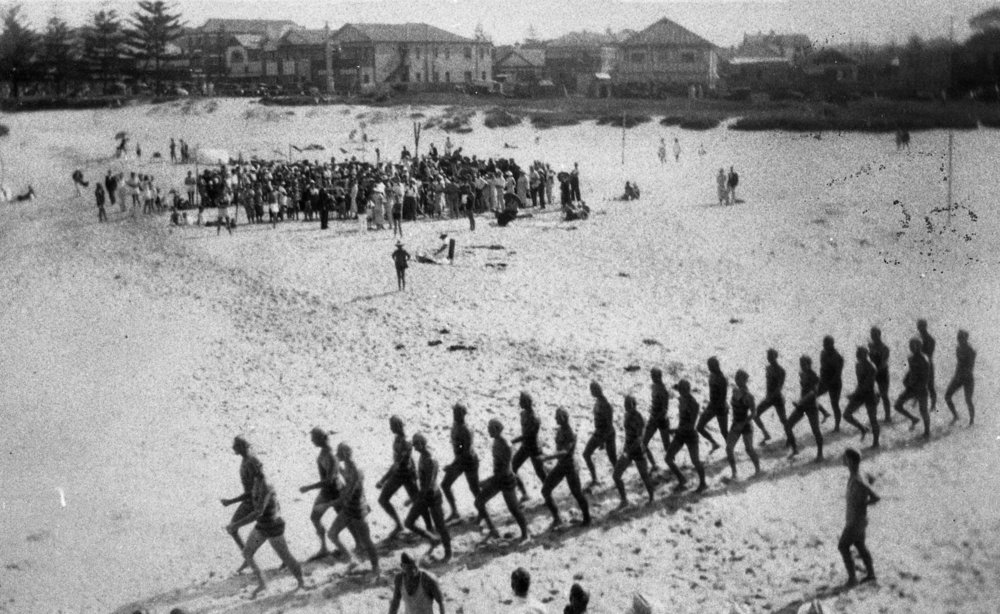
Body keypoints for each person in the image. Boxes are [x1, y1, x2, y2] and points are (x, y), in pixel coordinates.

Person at [225, 470, 306, 598]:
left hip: (273, 527)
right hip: (262, 526)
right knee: (247, 553)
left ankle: (302, 582)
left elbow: (258, 511)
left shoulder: (266, 486)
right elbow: (249, 495)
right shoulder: (257, 482)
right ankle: (262, 583)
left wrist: (236, 525)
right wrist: (231, 501)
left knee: (286, 556)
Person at [327, 442, 380, 577]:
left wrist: (328, 504)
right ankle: (352, 560)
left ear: (344, 454)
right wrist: (336, 465)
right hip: (349, 507)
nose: (337, 455)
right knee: (332, 534)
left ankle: (376, 568)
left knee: (367, 541)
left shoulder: (356, 471)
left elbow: (348, 492)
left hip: (357, 510)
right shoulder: (348, 467)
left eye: (339, 454)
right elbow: (343, 476)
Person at [474, 418, 530, 542]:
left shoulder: (505, 445)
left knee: (514, 509)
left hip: (506, 480)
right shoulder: (497, 441)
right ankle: (492, 529)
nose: (487, 430)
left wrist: (488, 481)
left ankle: (525, 533)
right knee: (479, 502)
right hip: (499, 479)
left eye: (490, 428)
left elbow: (504, 470)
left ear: (496, 429)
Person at [298, 427, 347, 561]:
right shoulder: (325, 452)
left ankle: (358, 545)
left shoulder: (330, 455)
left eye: (314, 437)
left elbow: (329, 480)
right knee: (314, 517)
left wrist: (308, 487)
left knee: (347, 520)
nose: (312, 440)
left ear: (322, 438)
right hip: (327, 492)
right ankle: (324, 548)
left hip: (335, 492)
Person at [377, 415, 428, 541]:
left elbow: (399, 463)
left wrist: (383, 479)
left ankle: (428, 527)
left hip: (406, 475)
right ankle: (399, 525)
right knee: (383, 499)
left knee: (418, 501)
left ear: (398, 426)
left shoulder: (406, 442)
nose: (390, 428)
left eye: (392, 426)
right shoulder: (398, 439)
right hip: (400, 474)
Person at [540, 407, 591, 529]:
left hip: (570, 467)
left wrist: (548, 457)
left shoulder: (570, 433)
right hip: (561, 465)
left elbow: (565, 451)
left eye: (557, 417)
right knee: (545, 490)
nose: (555, 419)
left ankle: (587, 518)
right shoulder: (560, 430)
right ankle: (557, 517)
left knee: (577, 493)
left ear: (563, 418)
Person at [405, 433, 452, 562]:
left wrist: (412, 498)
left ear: (421, 443)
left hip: (433, 497)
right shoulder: (422, 456)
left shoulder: (430, 460)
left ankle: (448, 552)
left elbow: (429, 485)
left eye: (416, 445)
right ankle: (432, 539)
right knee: (409, 522)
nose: (414, 448)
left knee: (440, 526)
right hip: (424, 496)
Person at [219, 436, 264, 569]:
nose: (233, 448)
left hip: (255, 502)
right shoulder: (247, 460)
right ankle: (247, 556)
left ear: (241, 447)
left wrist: (230, 501)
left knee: (270, 530)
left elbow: (255, 488)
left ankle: (248, 557)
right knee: (233, 528)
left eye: (236, 445)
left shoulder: (251, 461)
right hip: (250, 500)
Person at [838, 448, 879, 587]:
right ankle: (871, 574)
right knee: (859, 545)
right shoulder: (858, 474)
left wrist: (863, 503)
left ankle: (852, 579)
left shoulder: (857, 480)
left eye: (844, 457)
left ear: (849, 461)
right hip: (858, 520)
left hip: (855, 521)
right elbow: (872, 478)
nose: (842, 459)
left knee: (843, 546)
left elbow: (876, 497)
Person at [612, 394, 656, 507]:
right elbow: (627, 435)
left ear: (634, 405)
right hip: (628, 450)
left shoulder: (639, 418)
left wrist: (627, 452)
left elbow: (639, 439)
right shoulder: (627, 415)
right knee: (616, 475)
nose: (626, 407)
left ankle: (652, 497)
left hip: (637, 451)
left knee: (644, 476)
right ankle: (624, 500)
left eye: (629, 404)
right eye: (625, 404)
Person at [664, 379, 707, 493]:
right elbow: (682, 419)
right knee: (668, 458)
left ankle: (703, 483)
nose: (681, 391)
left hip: (690, 435)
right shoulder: (681, 400)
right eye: (680, 389)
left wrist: (675, 430)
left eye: (683, 389)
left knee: (695, 461)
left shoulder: (694, 404)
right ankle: (682, 479)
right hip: (681, 434)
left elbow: (691, 425)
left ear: (688, 389)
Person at [441, 403, 481, 521]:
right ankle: (454, 511)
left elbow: (466, 452)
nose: (455, 415)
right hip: (460, 461)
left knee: (474, 488)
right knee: (445, 485)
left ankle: (483, 512)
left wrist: (452, 465)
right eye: (454, 412)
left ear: (463, 414)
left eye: (458, 413)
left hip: (469, 462)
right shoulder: (456, 426)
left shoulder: (466, 430)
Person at [786, 356, 824, 462]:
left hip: (811, 406)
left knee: (816, 430)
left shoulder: (815, 377)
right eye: (801, 364)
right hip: (802, 405)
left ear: (809, 364)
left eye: (804, 364)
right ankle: (794, 449)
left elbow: (813, 393)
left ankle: (820, 454)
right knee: (788, 425)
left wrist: (800, 401)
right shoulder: (802, 374)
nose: (802, 366)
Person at [842, 347, 881, 448]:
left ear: (866, 354)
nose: (857, 355)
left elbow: (867, 385)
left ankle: (876, 442)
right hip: (860, 393)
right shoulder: (858, 365)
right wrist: (855, 393)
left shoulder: (871, 367)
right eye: (857, 353)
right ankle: (862, 428)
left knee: (873, 419)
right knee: (846, 414)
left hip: (870, 394)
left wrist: (854, 394)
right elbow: (860, 383)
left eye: (860, 353)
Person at [726, 370, 761, 479]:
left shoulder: (748, 396)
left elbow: (754, 413)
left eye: (739, 378)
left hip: (745, 425)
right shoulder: (734, 390)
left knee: (749, 449)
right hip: (736, 423)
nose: (736, 380)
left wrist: (743, 423)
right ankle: (734, 472)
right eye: (736, 377)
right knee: (729, 448)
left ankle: (758, 470)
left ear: (744, 380)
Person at [512, 392, 547, 502]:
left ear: (527, 402)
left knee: (540, 473)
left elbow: (528, 435)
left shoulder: (535, 418)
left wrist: (513, 441)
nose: (519, 403)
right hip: (526, 446)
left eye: (521, 401)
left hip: (534, 448)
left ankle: (548, 493)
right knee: (513, 467)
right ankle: (524, 494)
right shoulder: (523, 414)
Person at [582, 381, 617, 490]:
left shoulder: (605, 404)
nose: (591, 392)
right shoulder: (599, 401)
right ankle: (595, 478)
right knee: (588, 454)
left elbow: (608, 424)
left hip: (606, 433)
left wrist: (602, 441)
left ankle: (615, 477)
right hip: (601, 432)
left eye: (592, 390)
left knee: (611, 457)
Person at [893, 338, 930, 438]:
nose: (911, 348)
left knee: (923, 410)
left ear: (919, 346)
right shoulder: (911, 358)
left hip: (921, 389)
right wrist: (906, 378)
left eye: (913, 346)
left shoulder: (924, 360)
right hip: (911, 387)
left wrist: (918, 389)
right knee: (897, 405)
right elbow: (911, 370)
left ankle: (927, 432)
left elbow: (926, 377)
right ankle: (913, 419)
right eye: (910, 346)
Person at [754, 349, 789, 446]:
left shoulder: (781, 371)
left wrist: (769, 397)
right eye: (768, 356)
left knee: (783, 420)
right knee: (755, 414)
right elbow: (768, 384)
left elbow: (779, 388)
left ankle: (790, 437)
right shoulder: (768, 368)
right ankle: (766, 434)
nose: (769, 358)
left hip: (777, 398)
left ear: (775, 357)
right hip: (769, 397)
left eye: (771, 356)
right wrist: (767, 396)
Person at [697, 357, 729, 453]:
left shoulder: (721, 379)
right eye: (708, 366)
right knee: (699, 427)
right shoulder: (712, 375)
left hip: (720, 408)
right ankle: (714, 443)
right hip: (712, 406)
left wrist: (715, 408)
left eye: (710, 366)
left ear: (716, 366)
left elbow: (723, 397)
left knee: (724, 432)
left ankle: (730, 448)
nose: (709, 368)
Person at [945, 329, 976, 425]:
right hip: (959, 376)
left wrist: (961, 375)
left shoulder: (971, 351)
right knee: (947, 396)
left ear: (966, 339)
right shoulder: (958, 348)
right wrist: (956, 376)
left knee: (968, 399)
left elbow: (970, 367)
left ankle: (971, 420)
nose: (959, 340)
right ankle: (955, 415)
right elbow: (959, 364)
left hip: (967, 378)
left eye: (961, 338)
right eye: (958, 338)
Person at [643, 367, 671, 473]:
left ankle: (672, 465)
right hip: (654, 418)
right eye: (651, 376)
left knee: (666, 446)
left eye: (654, 376)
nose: (652, 378)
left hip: (662, 420)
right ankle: (654, 465)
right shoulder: (653, 387)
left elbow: (665, 409)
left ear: (659, 376)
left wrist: (656, 418)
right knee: (644, 443)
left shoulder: (664, 391)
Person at [818, 336, 846, 432]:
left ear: (832, 344)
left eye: (827, 344)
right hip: (825, 381)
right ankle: (824, 412)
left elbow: (838, 374)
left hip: (835, 383)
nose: (825, 346)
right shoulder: (823, 353)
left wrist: (828, 383)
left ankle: (837, 426)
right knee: (812, 396)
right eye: (824, 344)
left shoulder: (837, 357)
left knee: (835, 404)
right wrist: (821, 380)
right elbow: (822, 368)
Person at [868, 327, 892, 423]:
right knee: (872, 395)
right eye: (872, 335)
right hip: (874, 372)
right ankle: (873, 415)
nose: (873, 337)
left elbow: (883, 363)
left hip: (882, 373)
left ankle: (888, 416)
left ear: (879, 335)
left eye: (875, 335)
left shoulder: (884, 348)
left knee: (884, 395)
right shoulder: (871, 346)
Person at [916, 319, 937, 412]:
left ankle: (933, 405)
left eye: (921, 326)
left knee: (930, 386)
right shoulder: (918, 338)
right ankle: (918, 401)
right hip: (919, 364)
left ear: (925, 327)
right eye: (918, 326)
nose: (919, 328)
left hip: (927, 365)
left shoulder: (930, 339)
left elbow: (929, 354)